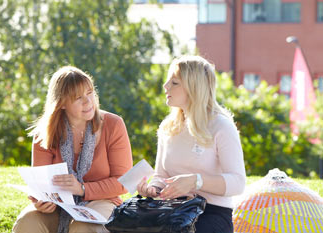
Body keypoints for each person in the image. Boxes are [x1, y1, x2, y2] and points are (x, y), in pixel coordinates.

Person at [13, 66, 133, 233]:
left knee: (83, 226)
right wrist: (41, 201)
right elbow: (41, 185)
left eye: (90, 93)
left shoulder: (113, 124)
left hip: (103, 202)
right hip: (59, 207)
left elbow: (124, 181)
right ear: (61, 103)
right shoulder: (45, 133)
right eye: (78, 98)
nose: (88, 101)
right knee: (28, 221)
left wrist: (82, 189)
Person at [137, 55, 246, 233]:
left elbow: (238, 182)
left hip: (211, 213)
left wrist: (196, 181)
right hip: (172, 210)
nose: (165, 87)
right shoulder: (168, 127)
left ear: (194, 87)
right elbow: (161, 175)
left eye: (174, 83)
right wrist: (152, 189)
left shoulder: (222, 126)